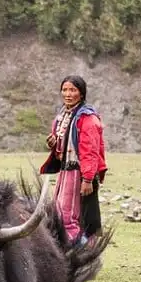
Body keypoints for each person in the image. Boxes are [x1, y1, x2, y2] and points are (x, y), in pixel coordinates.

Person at [40, 75, 107, 246]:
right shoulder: (63, 116)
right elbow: (63, 147)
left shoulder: (87, 118)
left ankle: (79, 254)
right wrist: (54, 144)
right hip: (66, 171)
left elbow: (90, 151)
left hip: (79, 173)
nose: (68, 94)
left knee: (67, 216)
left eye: (73, 90)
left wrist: (88, 179)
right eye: (65, 90)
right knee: (61, 212)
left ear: (82, 94)